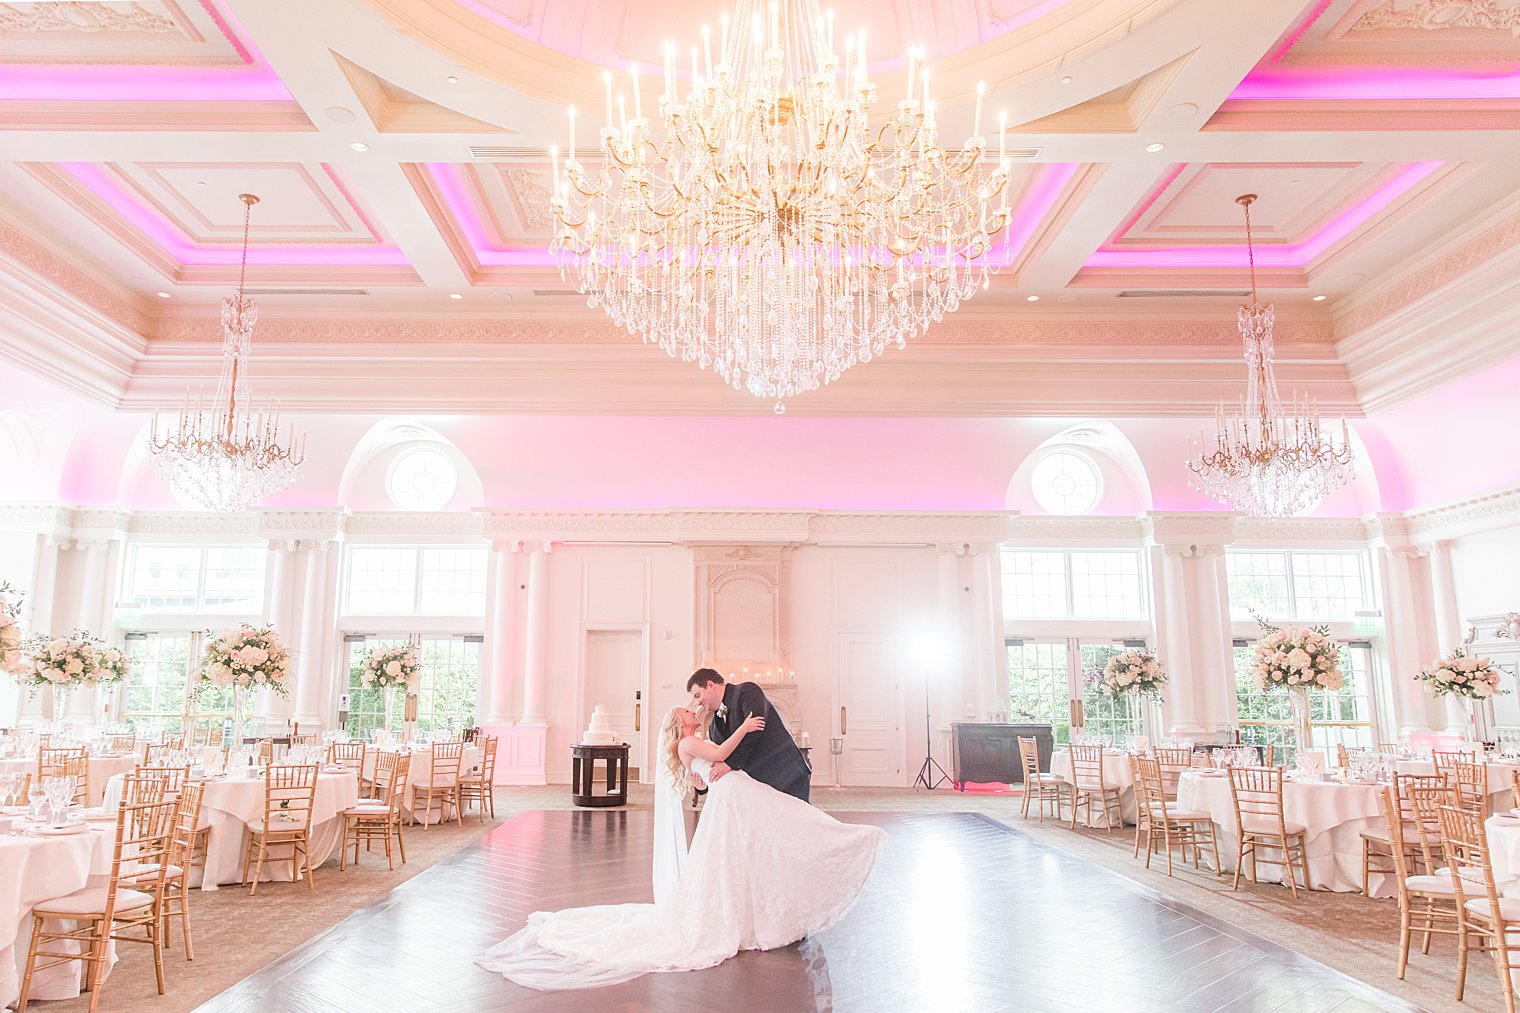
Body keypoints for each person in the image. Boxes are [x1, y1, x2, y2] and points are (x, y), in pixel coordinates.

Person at [477, 705, 885, 990]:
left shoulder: (694, 742)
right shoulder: (687, 745)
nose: (692, 711)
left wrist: (712, 758)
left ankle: (835, 850)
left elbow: (701, 781)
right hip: (733, 800)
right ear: (679, 724)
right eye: (686, 712)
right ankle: (846, 843)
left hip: (732, 798)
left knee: (767, 839)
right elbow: (721, 754)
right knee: (780, 826)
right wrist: (744, 727)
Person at [687, 667, 811, 802]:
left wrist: (730, 764)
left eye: (698, 695)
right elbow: (717, 761)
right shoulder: (713, 728)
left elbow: (756, 729)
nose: (697, 702)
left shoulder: (747, 692)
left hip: (786, 775)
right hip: (757, 789)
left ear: (711, 685)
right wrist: (702, 787)